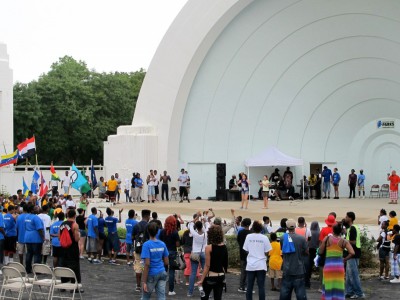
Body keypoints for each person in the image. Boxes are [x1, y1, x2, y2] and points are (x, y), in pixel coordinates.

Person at [319, 222, 355, 300]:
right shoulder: (344, 241)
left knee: (328, 286)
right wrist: (344, 259)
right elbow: (352, 252)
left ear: (333, 230)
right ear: (341, 231)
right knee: (338, 287)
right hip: (339, 267)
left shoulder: (327, 239)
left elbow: (320, 251)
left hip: (328, 267)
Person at [279, 219, 308, 300]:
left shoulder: (282, 238)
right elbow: (306, 251)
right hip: (299, 269)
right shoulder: (301, 238)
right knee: (300, 293)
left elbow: (282, 249)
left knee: (285, 293)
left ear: (286, 227)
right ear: (295, 226)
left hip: (287, 268)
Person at [243, 220, 272, 300]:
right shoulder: (265, 237)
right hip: (261, 265)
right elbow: (267, 251)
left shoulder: (248, 236)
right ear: (261, 228)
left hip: (250, 265)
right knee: (261, 286)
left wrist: (252, 252)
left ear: (253, 228)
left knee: (249, 286)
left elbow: (245, 249)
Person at [198, 225, 228, 300]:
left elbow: (207, 265)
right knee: (218, 298)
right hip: (220, 276)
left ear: (210, 235)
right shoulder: (224, 247)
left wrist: (201, 279)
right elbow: (225, 264)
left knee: (204, 297)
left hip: (210, 277)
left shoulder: (208, 248)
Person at [141, 222, 169, 300]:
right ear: (157, 231)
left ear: (148, 231)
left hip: (151, 274)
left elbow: (147, 264)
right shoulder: (162, 244)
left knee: (145, 297)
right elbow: (166, 262)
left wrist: (144, 281)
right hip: (162, 272)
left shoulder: (146, 245)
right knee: (161, 297)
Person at [59, 209, 83, 292]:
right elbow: (76, 239)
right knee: (74, 267)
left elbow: (59, 236)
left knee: (63, 265)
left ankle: (63, 285)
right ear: (74, 216)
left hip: (63, 248)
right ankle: (75, 287)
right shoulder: (75, 225)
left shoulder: (62, 224)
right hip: (72, 248)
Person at [344, 211, 364, 298]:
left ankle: (359, 293)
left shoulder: (352, 228)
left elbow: (353, 242)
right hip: (352, 254)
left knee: (353, 274)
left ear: (350, 218)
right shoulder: (351, 228)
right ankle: (349, 291)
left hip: (353, 254)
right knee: (348, 274)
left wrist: (344, 242)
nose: (345, 218)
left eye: (346, 216)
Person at [187, 213, 208, 297]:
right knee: (205, 272)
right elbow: (207, 224)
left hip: (195, 253)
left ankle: (190, 292)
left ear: (196, 227)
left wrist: (196, 217)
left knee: (193, 273)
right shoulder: (206, 233)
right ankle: (206, 291)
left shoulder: (194, 233)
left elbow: (190, 224)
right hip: (203, 253)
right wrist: (203, 218)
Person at [159, 215, 180, 296]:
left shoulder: (162, 231)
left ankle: (160, 288)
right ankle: (171, 290)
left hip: (164, 252)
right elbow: (178, 244)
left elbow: (160, 242)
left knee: (163, 271)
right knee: (171, 271)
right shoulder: (175, 232)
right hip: (172, 252)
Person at [133, 209, 151, 292]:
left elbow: (132, 237)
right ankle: (145, 284)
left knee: (138, 268)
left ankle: (138, 285)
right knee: (147, 267)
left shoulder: (137, 225)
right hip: (147, 250)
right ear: (147, 216)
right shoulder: (149, 226)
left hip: (138, 249)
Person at [25, 205, 44, 274]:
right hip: (36, 238)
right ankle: (37, 270)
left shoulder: (26, 217)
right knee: (37, 254)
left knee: (29, 254)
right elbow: (40, 229)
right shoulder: (36, 218)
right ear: (32, 210)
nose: (38, 209)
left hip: (27, 237)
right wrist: (43, 237)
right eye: (36, 208)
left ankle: (28, 269)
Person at [237, 218, 252, 293]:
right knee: (249, 271)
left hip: (242, 253)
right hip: (250, 254)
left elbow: (238, 241)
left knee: (243, 271)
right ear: (249, 224)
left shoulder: (241, 232)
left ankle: (241, 286)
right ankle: (246, 287)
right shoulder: (251, 233)